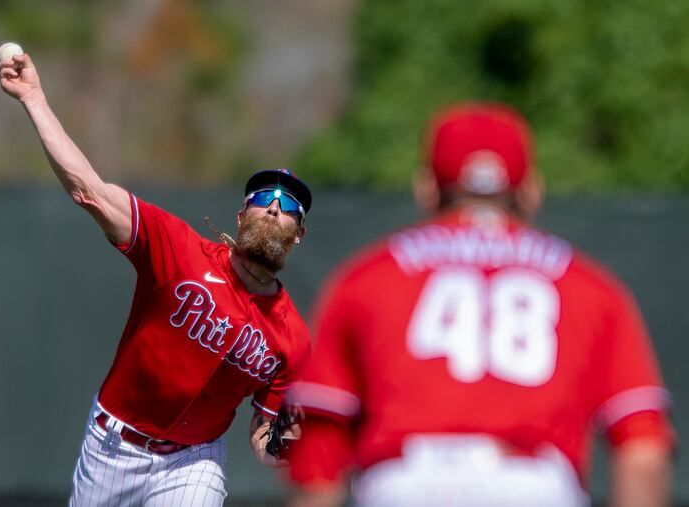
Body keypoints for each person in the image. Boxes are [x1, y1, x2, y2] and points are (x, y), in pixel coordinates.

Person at [287, 103, 675, 507]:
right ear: (531, 191)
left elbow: (321, 440)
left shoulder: (367, 276)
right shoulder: (591, 286)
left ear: (427, 188)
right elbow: (642, 444)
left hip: (406, 483)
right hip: (532, 485)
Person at [0, 49, 311, 506]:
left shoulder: (292, 338)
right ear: (242, 214)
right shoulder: (178, 249)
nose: (276, 206)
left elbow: (263, 434)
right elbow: (91, 191)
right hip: (112, 448)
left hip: (194, 461)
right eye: (264, 196)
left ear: (298, 234)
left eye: (290, 207)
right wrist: (34, 97)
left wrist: (283, 447)